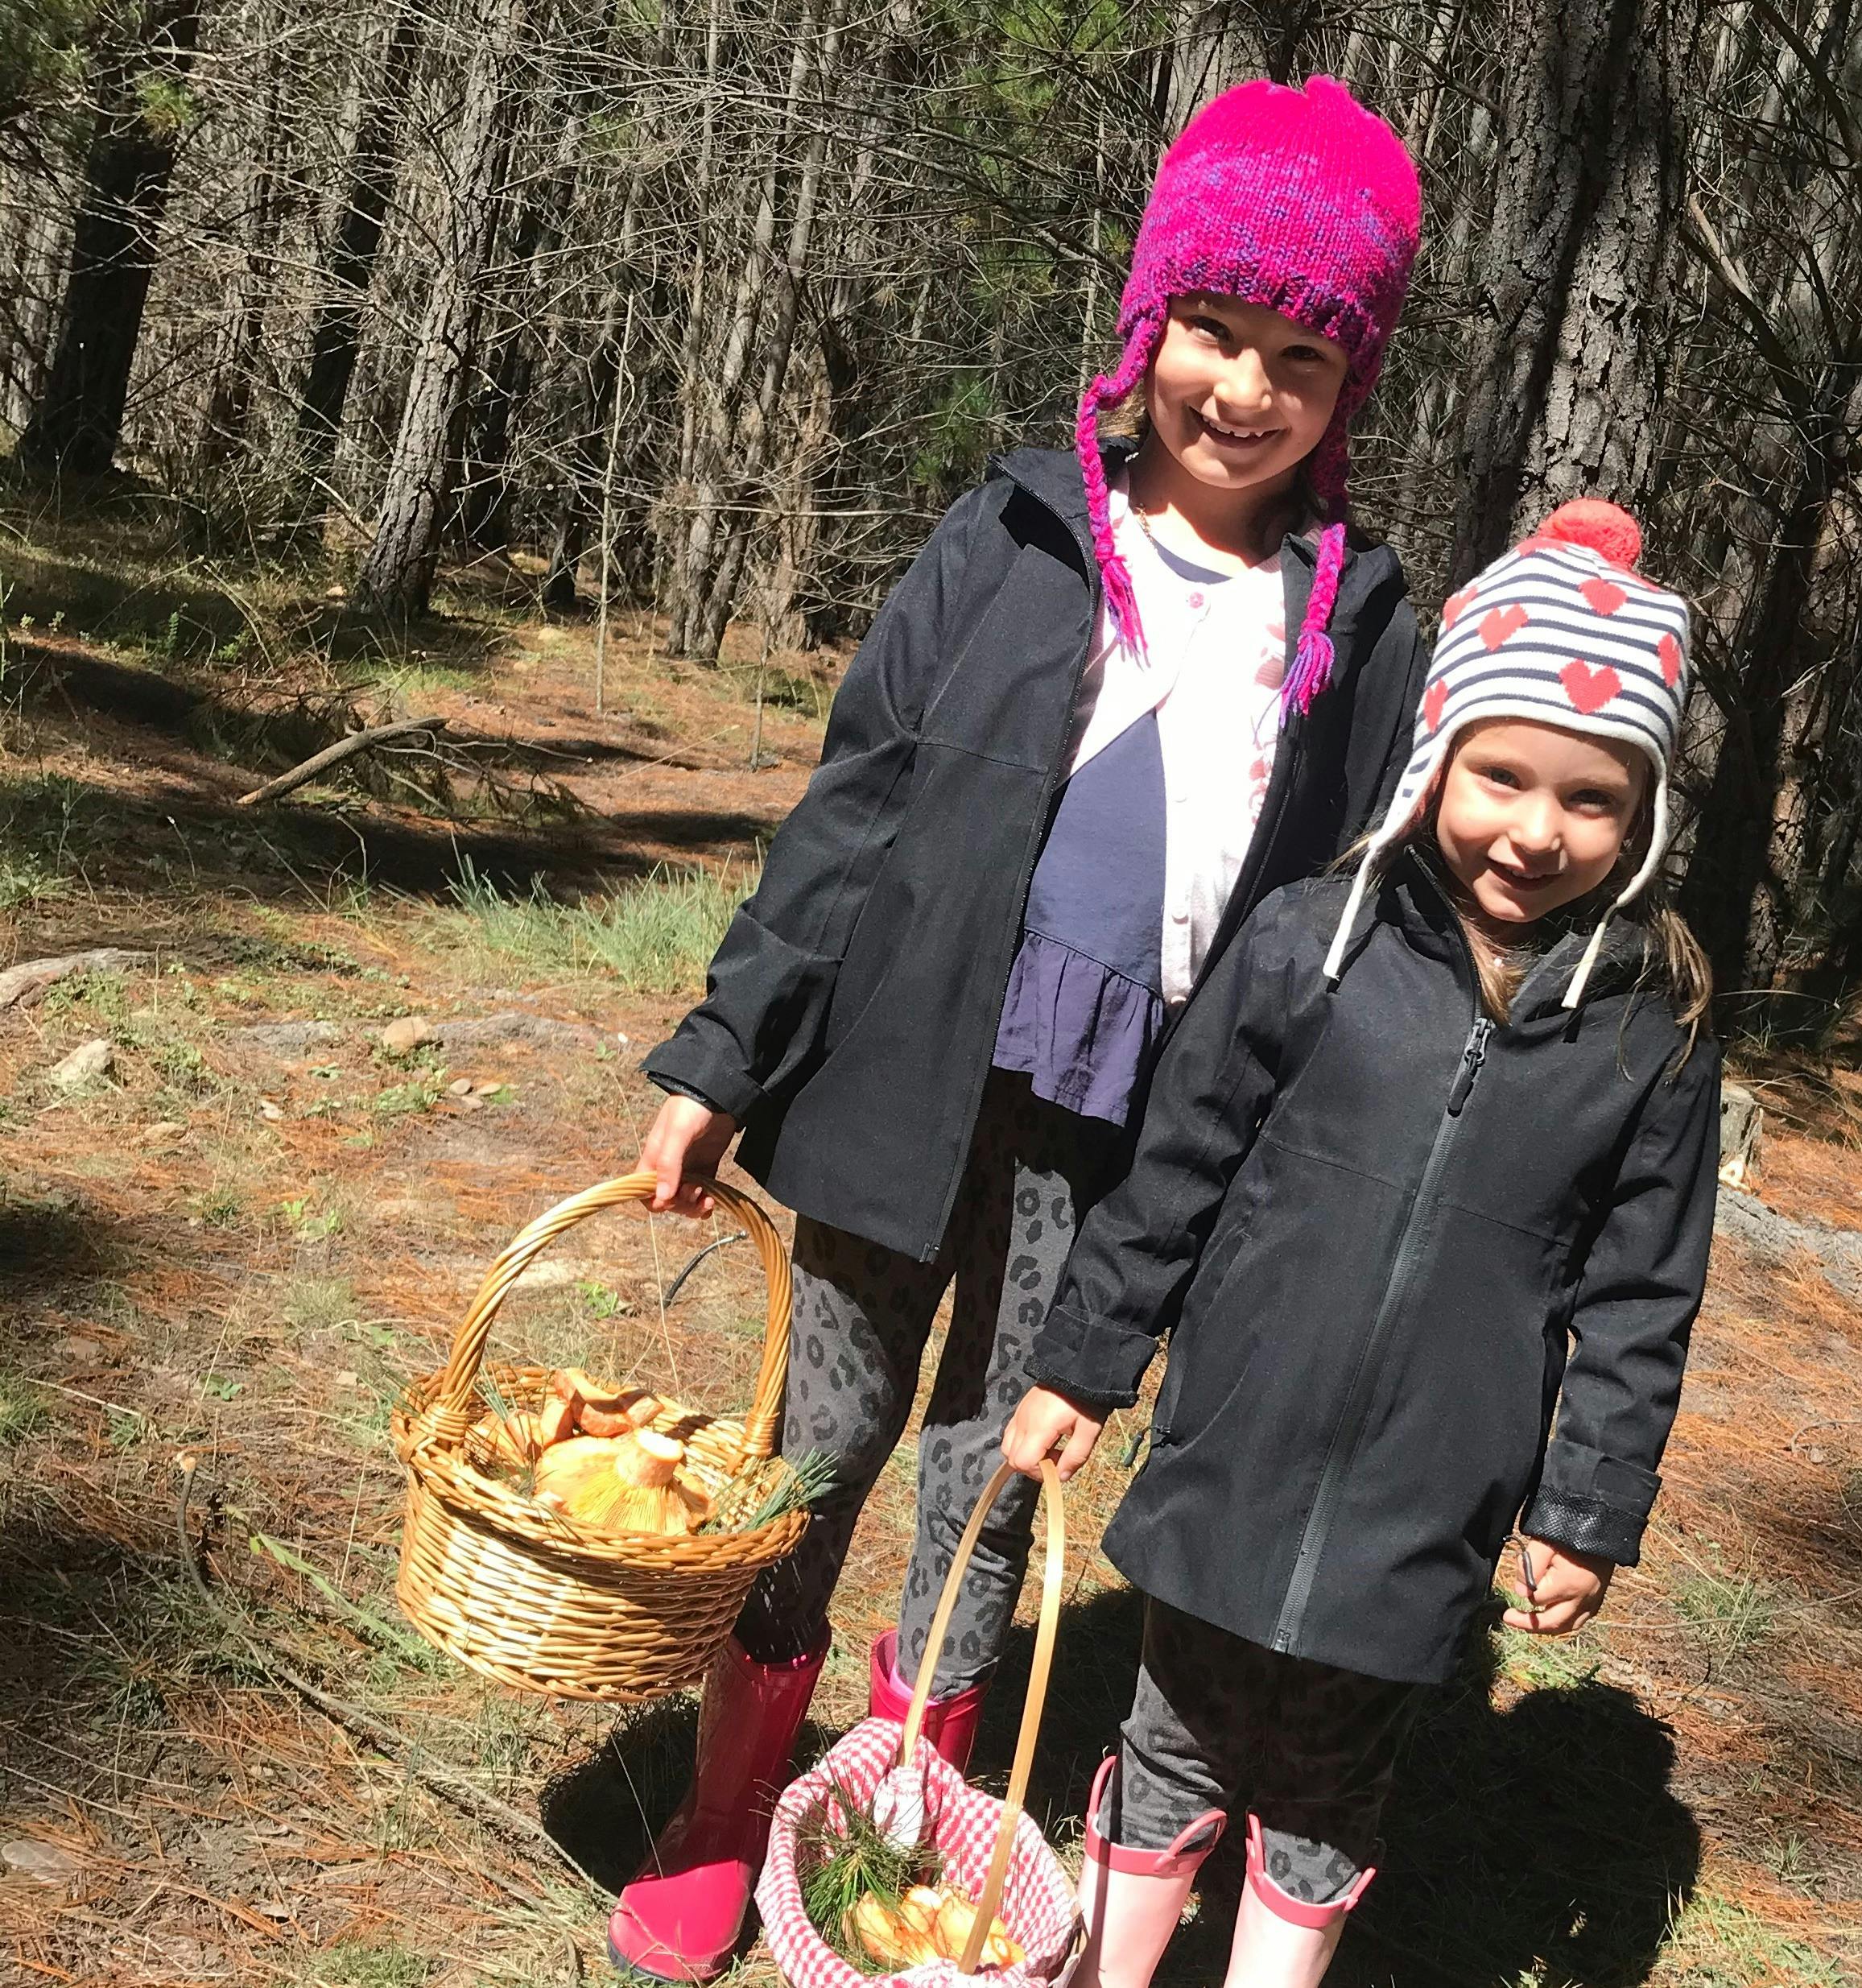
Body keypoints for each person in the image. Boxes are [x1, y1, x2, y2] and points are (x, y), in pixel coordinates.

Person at [608, 76, 1428, 1985]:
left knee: (994, 1472)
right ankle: (735, 1799)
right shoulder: (1018, 530)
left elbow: (1352, 909)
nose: (1246, 385)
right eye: (1216, 331)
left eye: (1302, 354)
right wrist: (727, 1048)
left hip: (1122, 1136)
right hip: (908, 1079)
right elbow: (856, 807)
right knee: (819, 1432)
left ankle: (895, 1817)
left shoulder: (1354, 623)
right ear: (1151, 324)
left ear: (1348, 384)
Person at [1004, 501, 1722, 1988]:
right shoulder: (1307, 940)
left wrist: (1584, 1512)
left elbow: (1642, 1299)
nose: (1535, 828)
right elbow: (1177, 1176)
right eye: (1504, 775)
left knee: (1328, 1785)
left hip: (1425, 1499)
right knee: (1173, 1737)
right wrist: (1084, 1363)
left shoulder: (1650, 1037)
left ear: (1642, 814)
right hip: (1234, 1442)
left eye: (1589, 799)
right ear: (1437, 757)